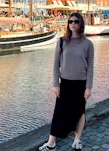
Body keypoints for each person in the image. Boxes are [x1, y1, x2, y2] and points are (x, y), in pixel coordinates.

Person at [39, 12, 94, 151]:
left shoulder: (88, 44)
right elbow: (55, 64)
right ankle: (51, 143)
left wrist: (88, 87)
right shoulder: (62, 42)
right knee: (59, 112)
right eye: (70, 22)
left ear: (81, 23)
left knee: (79, 112)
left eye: (76, 21)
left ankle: (77, 140)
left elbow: (91, 67)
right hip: (65, 83)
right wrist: (55, 84)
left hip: (81, 84)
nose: (73, 24)